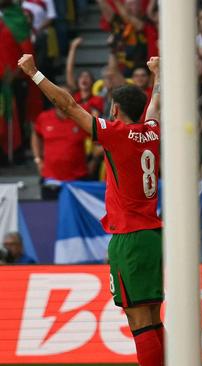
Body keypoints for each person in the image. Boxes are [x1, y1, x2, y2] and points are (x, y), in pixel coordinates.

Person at [19, 53, 164, 366]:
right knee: (153, 317)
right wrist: (158, 76)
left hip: (130, 238)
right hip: (153, 235)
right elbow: (154, 106)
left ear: (114, 110)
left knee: (139, 321)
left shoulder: (117, 135)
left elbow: (69, 106)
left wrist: (35, 74)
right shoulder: (152, 131)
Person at [32, 100, 90, 199]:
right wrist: (38, 159)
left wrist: (94, 161)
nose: (61, 100)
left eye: (64, 97)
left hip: (77, 180)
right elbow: (36, 135)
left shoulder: (81, 118)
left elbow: (97, 140)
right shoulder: (44, 118)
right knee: (49, 213)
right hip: (51, 180)